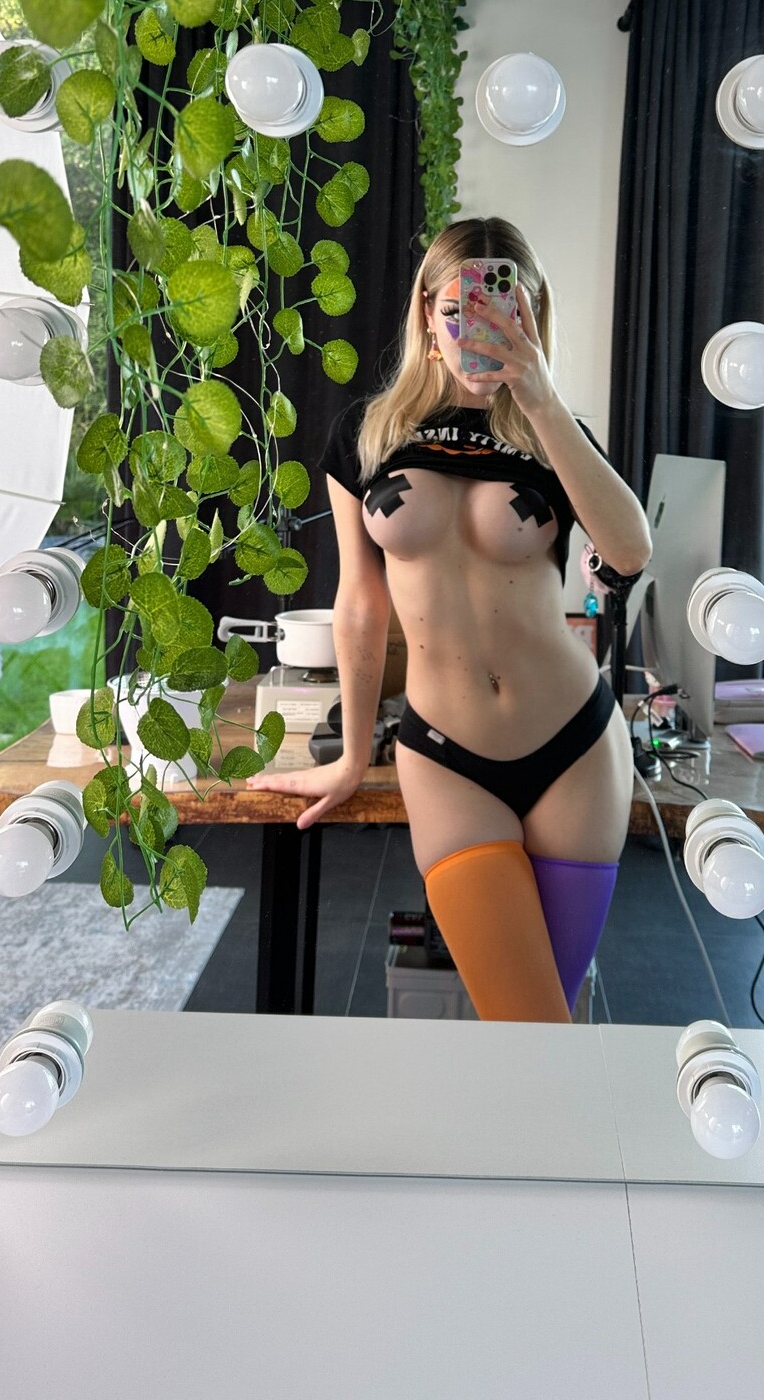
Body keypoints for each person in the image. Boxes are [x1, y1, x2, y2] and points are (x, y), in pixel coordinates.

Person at [253, 217, 652, 1020]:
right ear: (428, 315)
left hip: (574, 748)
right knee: (533, 1027)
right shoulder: (367, 435)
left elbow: (630, 550)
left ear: (534, 314)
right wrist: (351, 754)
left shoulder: (555, 437)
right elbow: (360, 604)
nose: (482, 326)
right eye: (460, 308)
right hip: (446, 756)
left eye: (508, 307)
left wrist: (542, 401)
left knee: (541, 1025)